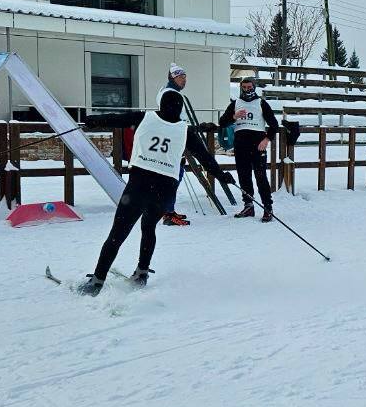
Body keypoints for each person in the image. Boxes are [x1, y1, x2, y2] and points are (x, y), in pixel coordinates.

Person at [77, 90, 224, 295]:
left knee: (117, 234)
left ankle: (97, 280)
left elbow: (116, 119)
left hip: (139, 185)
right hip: (164, 190)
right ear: (180, 109)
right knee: (149, 228)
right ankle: (142, 272)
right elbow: (206, 158)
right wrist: (223, 176)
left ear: (161, 105)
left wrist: (92, 121)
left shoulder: (144, 117)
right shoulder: (185, 130)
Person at [218, 75, 279, 221]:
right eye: (244, 88)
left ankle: (267, 208)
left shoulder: (261, 103)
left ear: (254, 87)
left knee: (260, 177)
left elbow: (274, 125)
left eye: (249, 87)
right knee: (244, 176)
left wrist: (267, 139)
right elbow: (222, 122)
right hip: (240, 145)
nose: (247, 90)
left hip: (258, 145)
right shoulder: (236, 103)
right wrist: (234, 116)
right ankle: (248, 205)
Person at [156, 63, 191, 226]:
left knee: (176, 176)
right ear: (172, 78)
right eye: (180, 77)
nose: (183, 80)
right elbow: (172, 119)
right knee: (173, 178)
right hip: (173, 141)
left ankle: (169, 210)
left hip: (176, 140)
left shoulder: (170, 92)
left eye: (184, 77)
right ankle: (168, 214)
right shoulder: (169, 94)